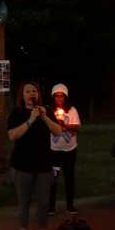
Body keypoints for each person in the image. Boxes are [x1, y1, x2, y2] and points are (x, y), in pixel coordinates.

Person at [8, 81, 62, 230]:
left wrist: (44, 116)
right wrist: (30, 120)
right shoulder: (17, 112)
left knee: (44, 203)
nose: (32, 93)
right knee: (23, 203)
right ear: (22, 95)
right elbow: (12, 135)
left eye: (34, 91)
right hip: (22, 166)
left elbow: (58, 131)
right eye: (28, 91)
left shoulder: (46, 111)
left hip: (43, 165)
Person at [48, 83, 81, 216]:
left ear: (65, 97)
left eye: (62, 96)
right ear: (53, 97)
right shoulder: (49, 111)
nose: (59, 99)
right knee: (53, 178)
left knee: (69, 177)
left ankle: (70, 205)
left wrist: (65, 125)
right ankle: (51, 206)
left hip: (69, 150)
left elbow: (77, 127)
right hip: (54, 150)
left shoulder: (72, 110)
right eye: (57, 96)